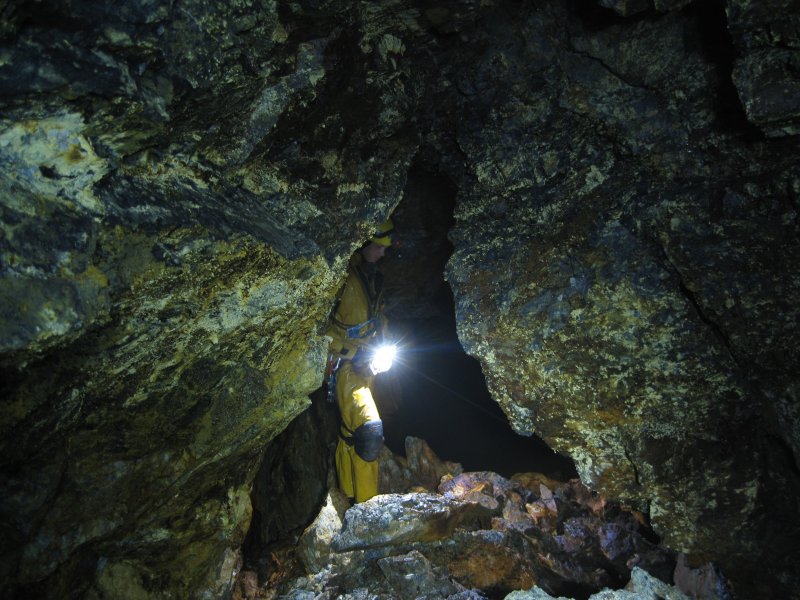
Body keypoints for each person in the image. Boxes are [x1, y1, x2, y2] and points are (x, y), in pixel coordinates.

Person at [326, 219, 394, 503]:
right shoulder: (342, 278)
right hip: (345, 368)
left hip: (369, 367)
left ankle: (348, 493)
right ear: (364, 242)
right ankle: (368, 512)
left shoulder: (374, 278)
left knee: (351, 430)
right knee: (369, 431)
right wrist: (353, 353)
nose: (382, 253)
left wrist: (386, 346)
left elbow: (380, 319)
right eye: (378, 246)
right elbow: (320, 331)